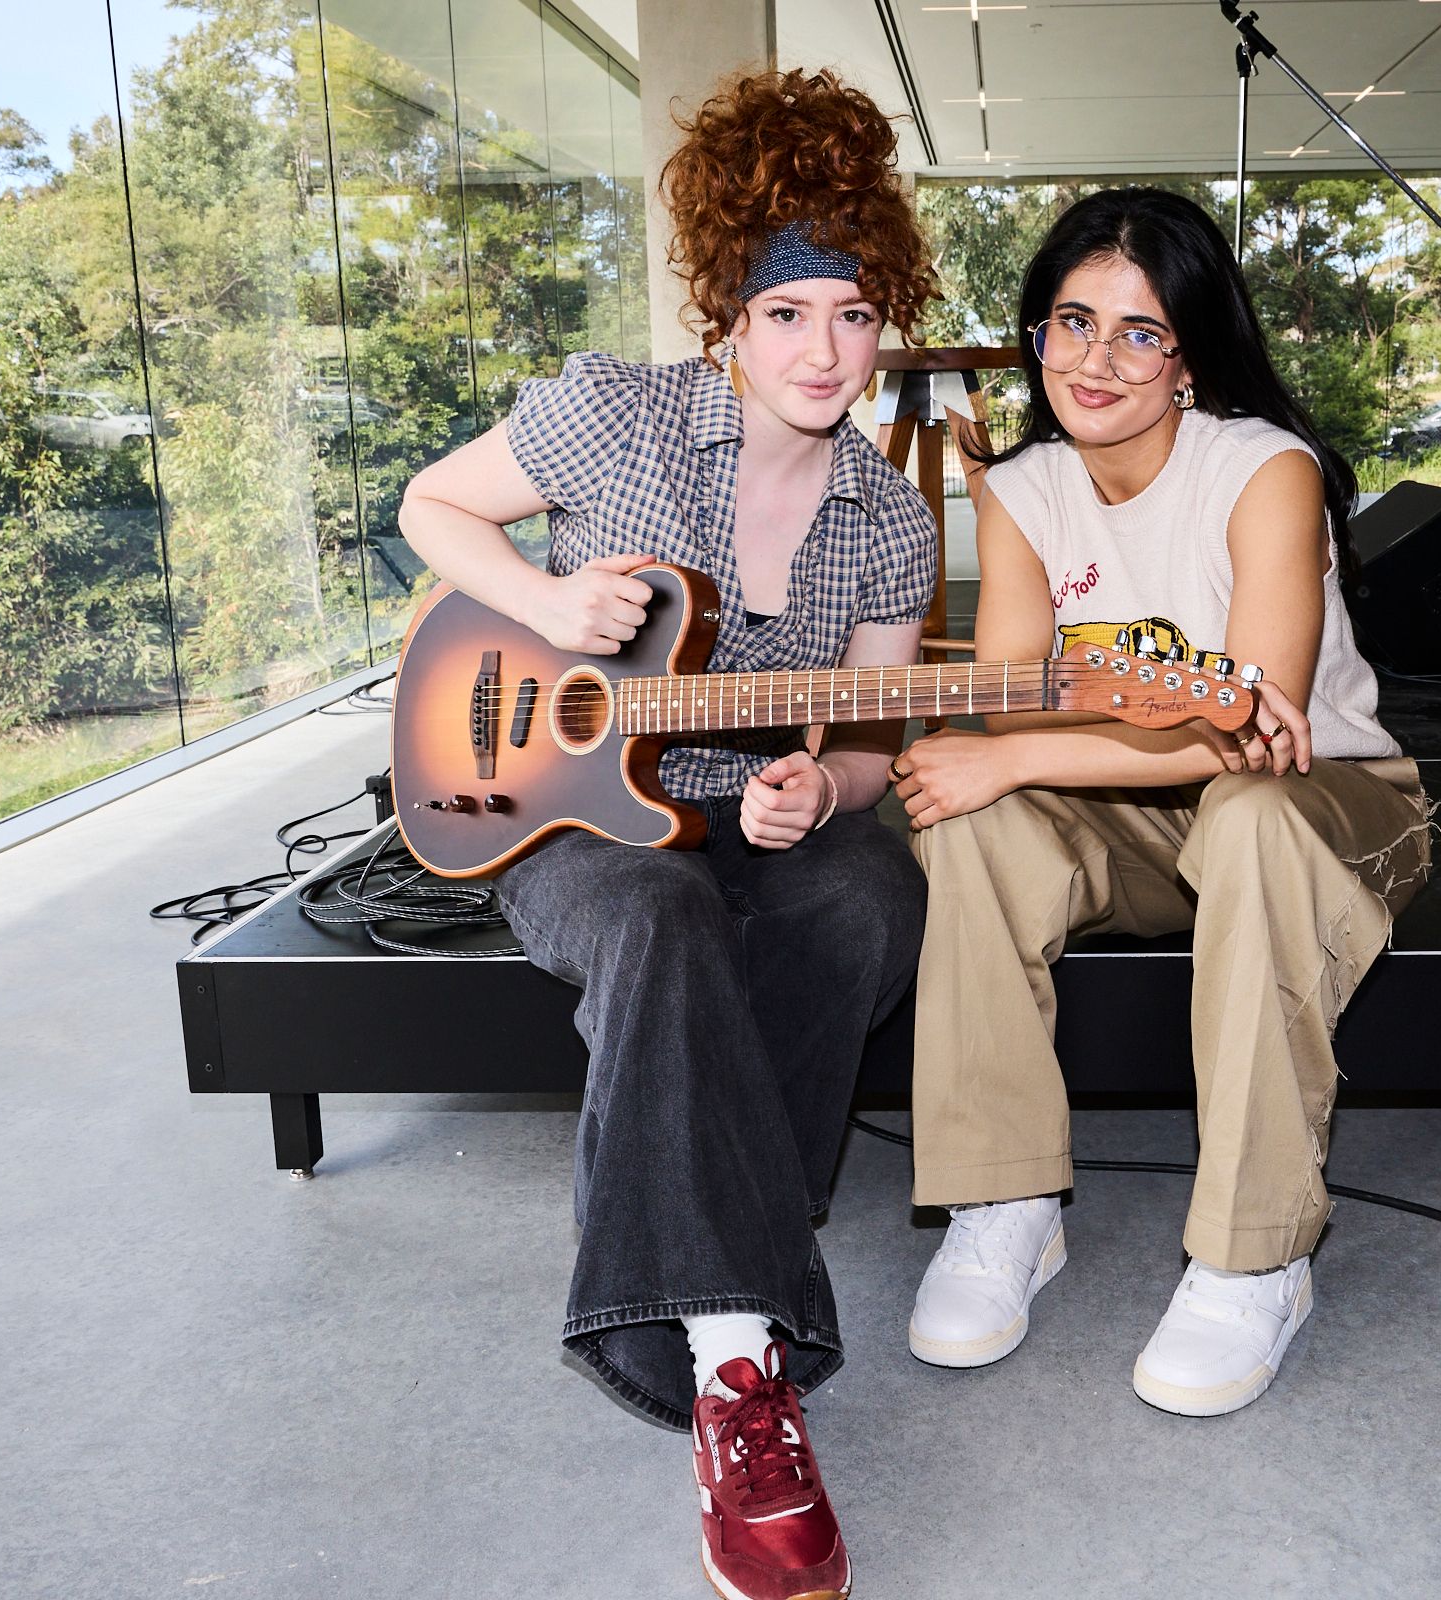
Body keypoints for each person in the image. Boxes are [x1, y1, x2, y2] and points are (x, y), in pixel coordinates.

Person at [395, 67, 937, 1600]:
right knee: (658, 916)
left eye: (852, 310)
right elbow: (434, 510)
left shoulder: (892, 519)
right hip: (556, 801)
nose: (825, 349)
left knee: (864, 898)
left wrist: (814, 789)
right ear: (725, 320)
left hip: (746, 804)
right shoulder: (612, 415)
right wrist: (550, 603)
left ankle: (721, 1236)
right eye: (786, 315)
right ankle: (734, 1352)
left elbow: (877, 740)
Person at [887, 187, 1432, 1418]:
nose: (1095, 360)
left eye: (1139, 331)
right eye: (1071, 322)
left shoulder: (1263, 470)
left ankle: (1256, 1255)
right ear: (1035, 334)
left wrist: (1030, 748)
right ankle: (1005, 1203)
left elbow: (1261, 735)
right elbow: (1022, 707)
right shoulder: (1021, 489)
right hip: (1134, 815)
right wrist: (1054, 741)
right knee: (966, 809)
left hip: (1327, 800)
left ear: (1193, 353)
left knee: (1231, 810)